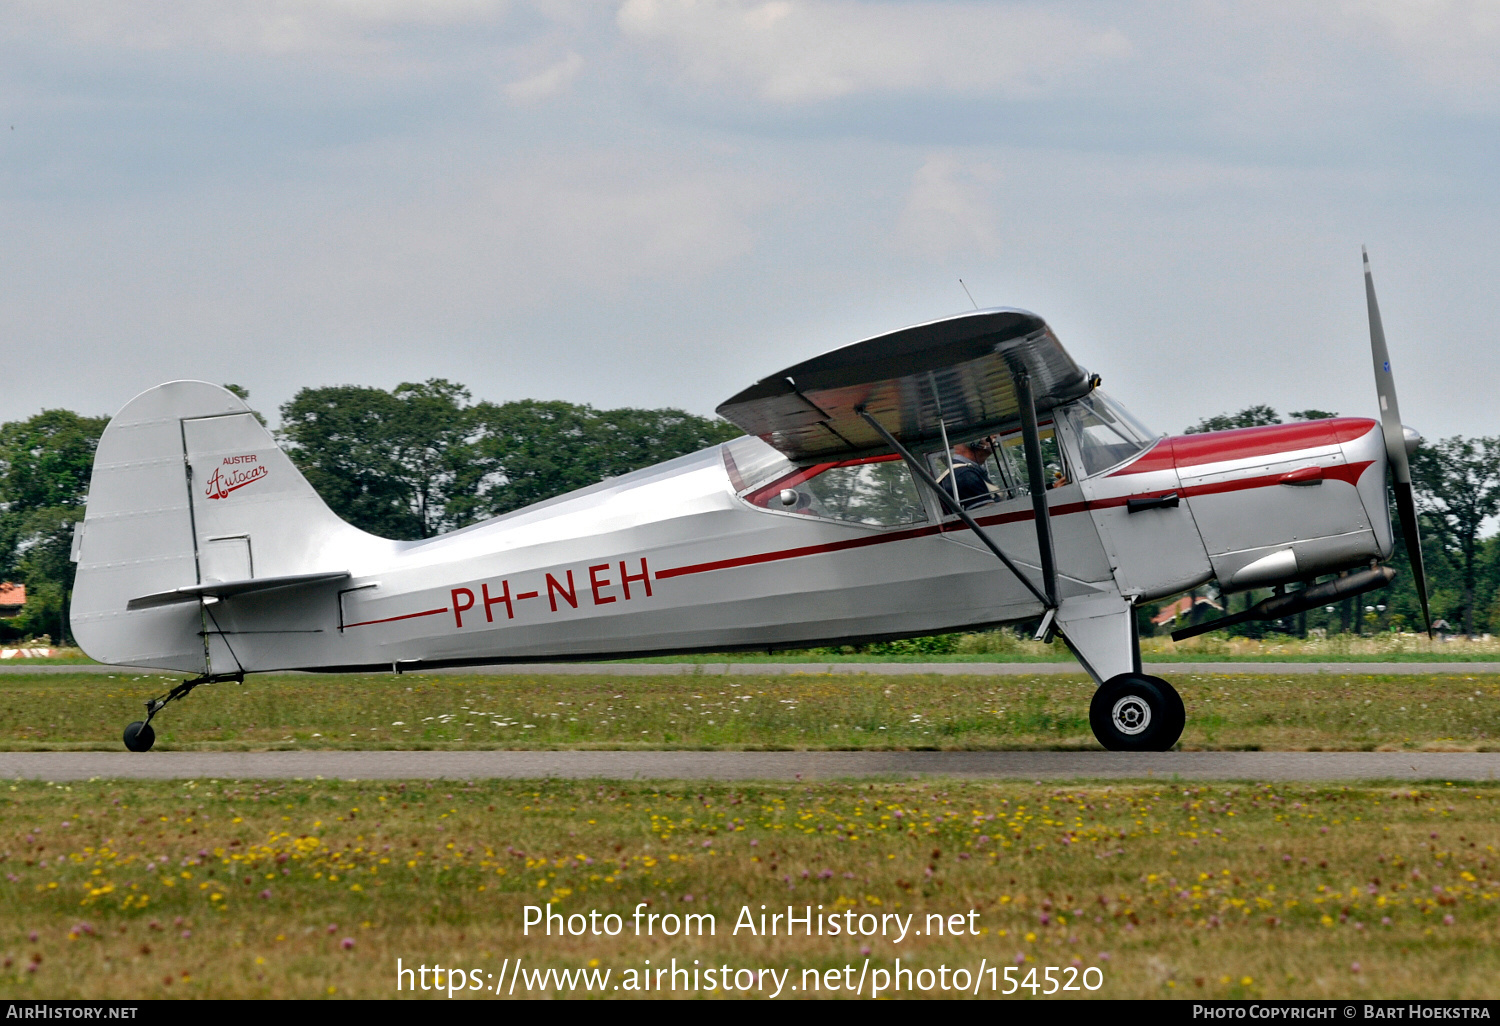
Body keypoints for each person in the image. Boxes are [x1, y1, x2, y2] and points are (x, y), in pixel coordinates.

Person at [943, 438, 1003, 509]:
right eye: (984, 432)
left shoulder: (968, 471)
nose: (994, 436)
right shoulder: (966, 476)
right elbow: (989, 513)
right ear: (971, 442)